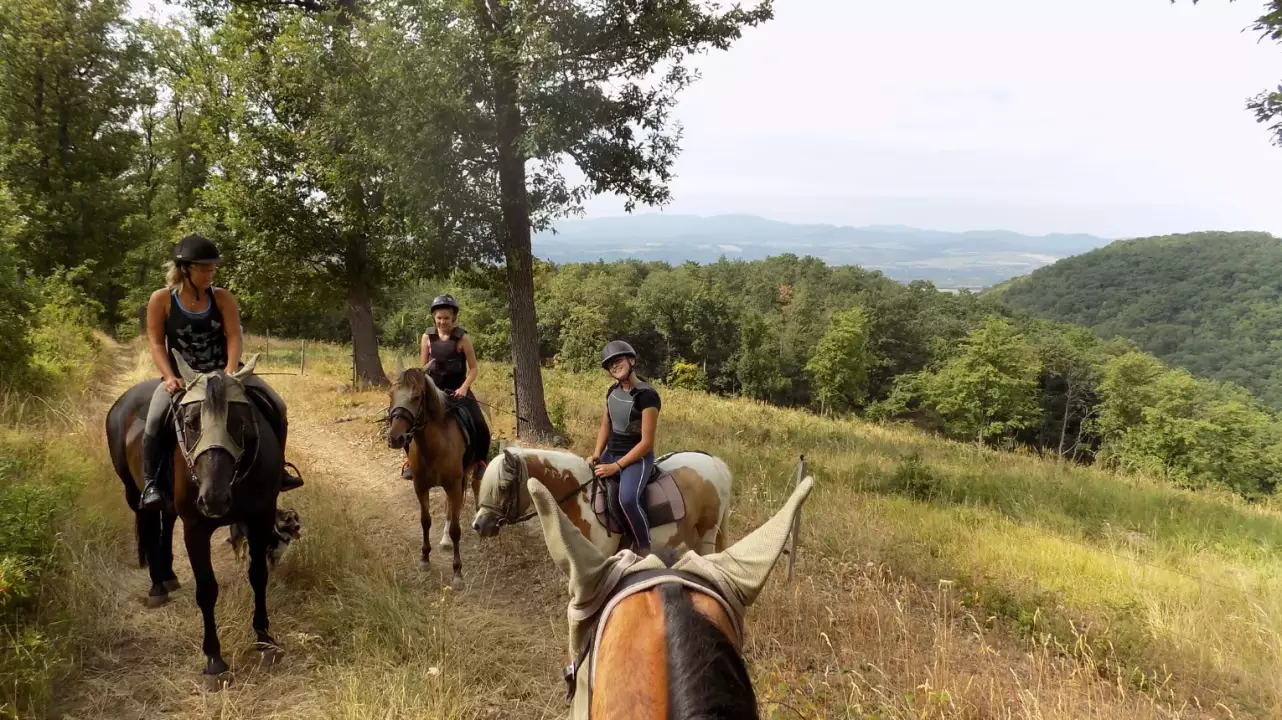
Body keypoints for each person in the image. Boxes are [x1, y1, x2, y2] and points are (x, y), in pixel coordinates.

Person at [137, 234, 303, 511]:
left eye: (212, 268)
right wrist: (168, 376)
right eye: (203, 268)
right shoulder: (161, 300)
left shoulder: (223, 297)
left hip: (225, 372)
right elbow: (155, 342)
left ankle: (279, 471)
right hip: (184, 379)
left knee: (277, 406)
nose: (209, 274)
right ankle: (151, 482)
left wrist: (230, 371)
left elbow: (233, 337)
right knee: (154, 419)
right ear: (185, 269)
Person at [400, 293, 490, 480]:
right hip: (434, 390)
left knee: (479, 422)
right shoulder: (427, 337)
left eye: (446, 318)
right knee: (408, 419)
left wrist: (464, 388)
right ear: (434, 317)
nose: (442, 322)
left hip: (458, 389)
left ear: (453, 318)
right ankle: (411, 460)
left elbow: (473, 368)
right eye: (439, 318)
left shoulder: (462, 338)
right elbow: (423, 368)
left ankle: (481, 461)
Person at [588, 340, 661, 556]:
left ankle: (644, 547)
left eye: (617, 360)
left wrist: (616, 467)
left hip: (637, 457)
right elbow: (605, 426)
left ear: (631, 360)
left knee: (627, 499)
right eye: (610, 364)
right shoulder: (612, 391)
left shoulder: (647, 395)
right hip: (611, 451)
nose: (614, 366)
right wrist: (596, 453)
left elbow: (646, 442)